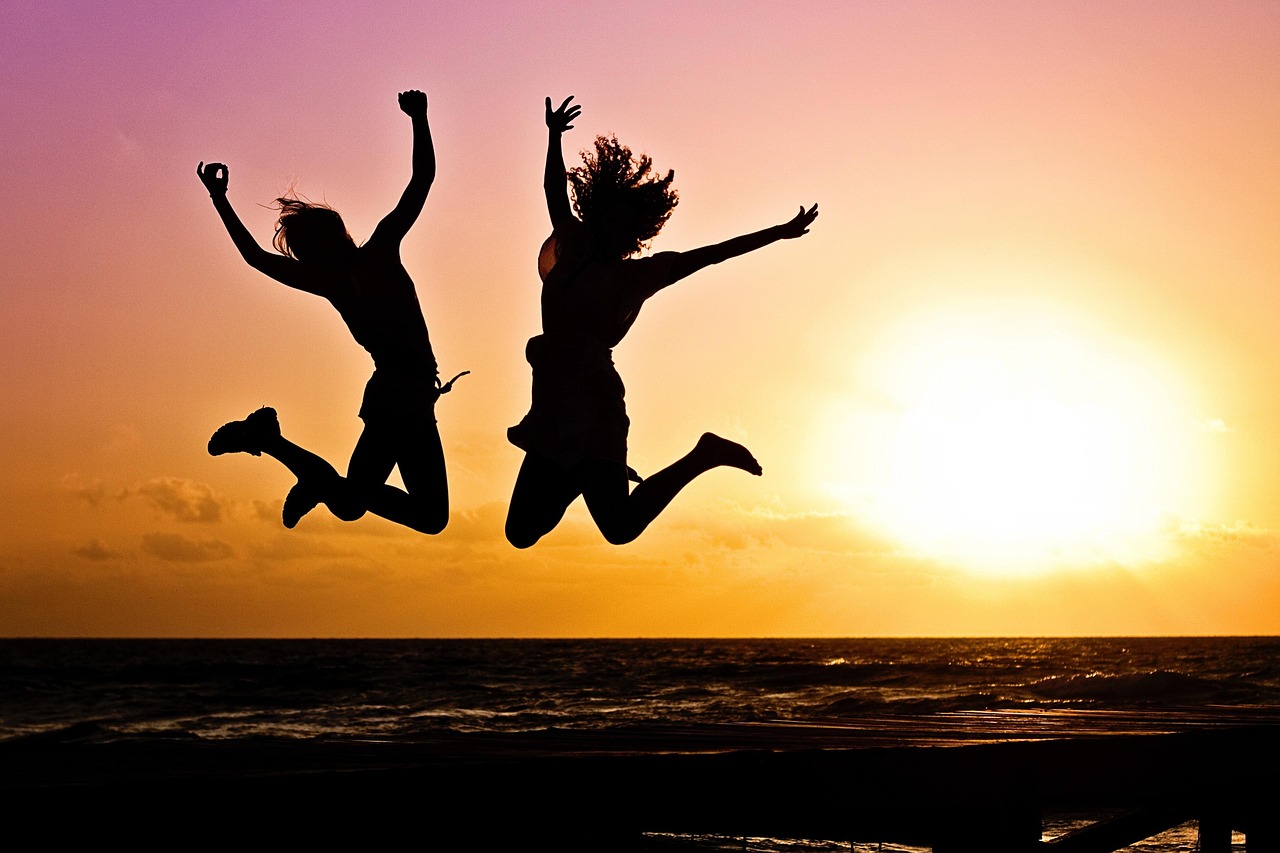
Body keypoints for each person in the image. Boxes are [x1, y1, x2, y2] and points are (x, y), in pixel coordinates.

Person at [505, 95, 818, 548]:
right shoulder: (572, 245)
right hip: (553, 404)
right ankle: (581, 473)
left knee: (620, 527)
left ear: (634, 231)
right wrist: (553, 136)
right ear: (596, 208)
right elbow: (554, 192)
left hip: (593, 405)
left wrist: (779, 232)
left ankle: (703, 455)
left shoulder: (639, 276)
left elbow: (713, 255)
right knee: (520, 532)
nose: (606, 229)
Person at [196, 89, 464, 534]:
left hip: (401, 392)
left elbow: (421, 183)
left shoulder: (339, 276)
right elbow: (422, 181)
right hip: (401, 394)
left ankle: (282, 450)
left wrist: (219, 198)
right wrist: (420, 116)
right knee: (408, 512)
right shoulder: (368, 259)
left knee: (357, 504)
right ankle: (284, 452)